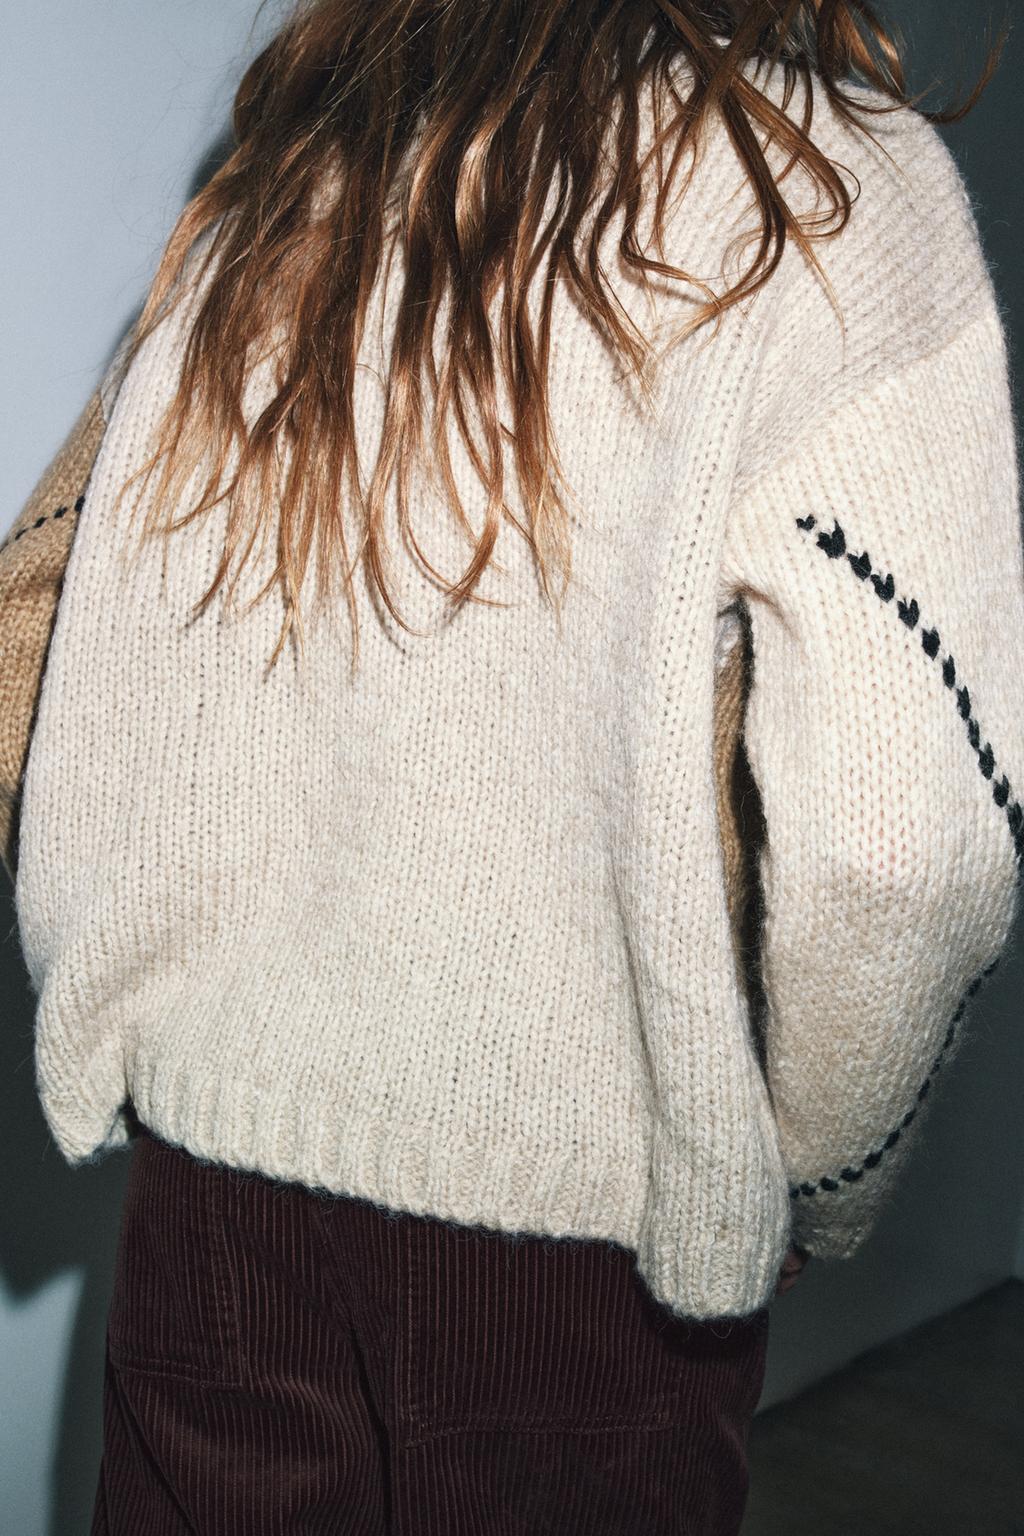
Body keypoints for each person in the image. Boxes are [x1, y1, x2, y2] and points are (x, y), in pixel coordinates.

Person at [2, 1, 1021, 1531]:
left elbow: (30, 628)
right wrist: (817, 1172)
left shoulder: (293, 175)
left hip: (218, 1194)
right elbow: (903, 852)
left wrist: (165, 991)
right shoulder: (827, 192)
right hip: (587, 1248)